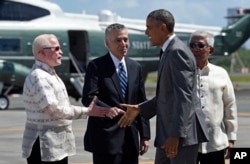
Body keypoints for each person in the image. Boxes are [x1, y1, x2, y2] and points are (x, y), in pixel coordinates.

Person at [118, 9, 209, 164]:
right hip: (168, 134)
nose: (146, 32)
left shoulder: (177, 52)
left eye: (149, 27)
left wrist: (176, 135)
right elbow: (167, 95)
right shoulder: (168, 51)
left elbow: (184, 97)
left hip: (181, 137)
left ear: (163, 28)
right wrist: (140, 109)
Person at [22, 34, 119, 164]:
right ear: (41, 52)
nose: (61, 52)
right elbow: (54, 110)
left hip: (55, 145)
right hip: (44, 146)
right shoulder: (39, 77)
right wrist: (87, 111)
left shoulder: (49, 74)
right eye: (55, 49)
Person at [81, 23, 151, 164]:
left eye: (126, 39)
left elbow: (141, 102)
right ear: (107, 43)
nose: (123, 44)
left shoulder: (135, 67)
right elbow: (88, 97)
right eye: (118, 40)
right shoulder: (96, 66)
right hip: (106, 138)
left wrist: (145, 136)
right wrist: (107, 109)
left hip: (130, 139)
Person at [189, 30, 238, 164]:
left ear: (210, 50)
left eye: (200, 45)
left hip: (215, 142)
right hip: (188, 144)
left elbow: (230, 105)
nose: (195, 49)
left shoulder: (221, 73)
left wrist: (231, 137)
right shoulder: (183, 73)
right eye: (192, 45)